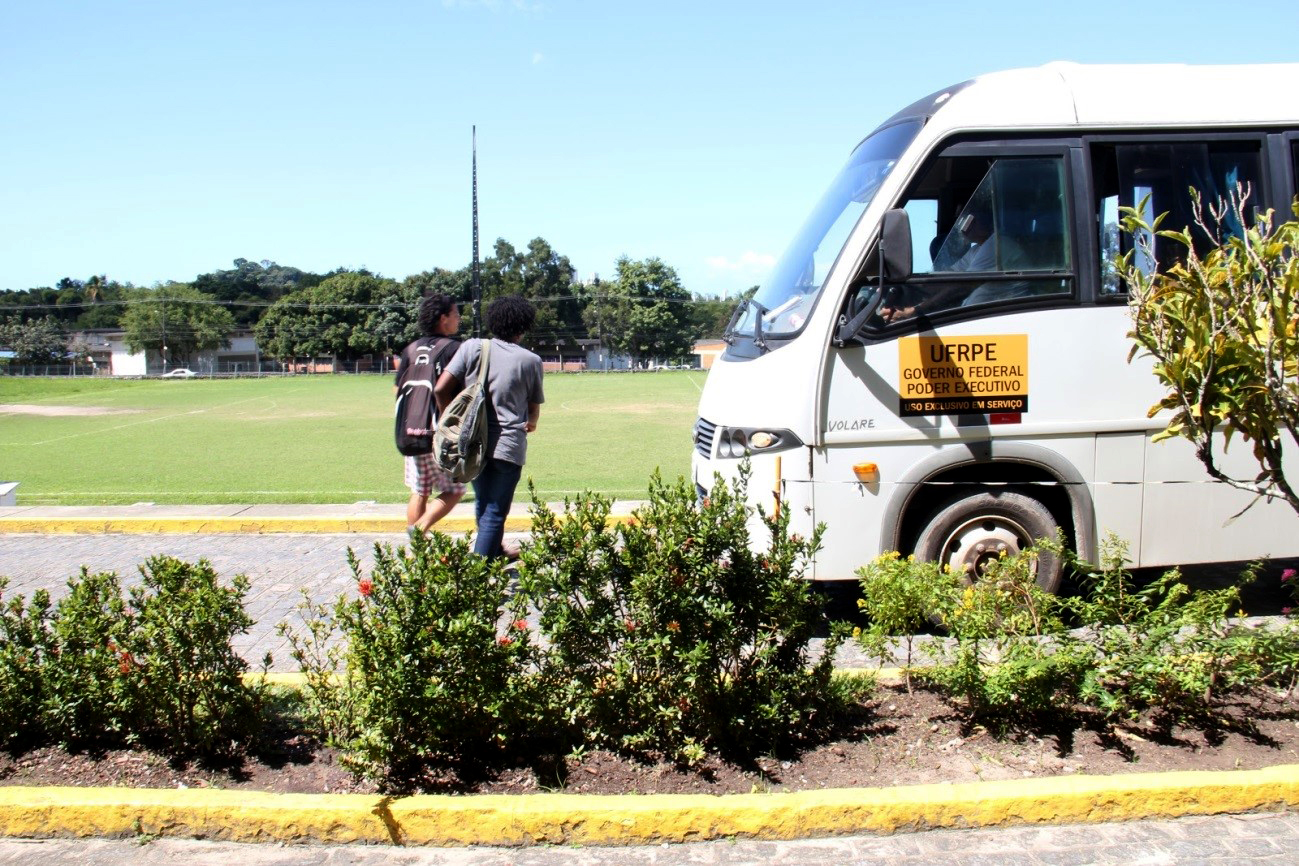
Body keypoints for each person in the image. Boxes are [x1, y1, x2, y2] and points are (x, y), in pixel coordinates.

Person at [435, 295, 544, 560]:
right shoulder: (530, 360)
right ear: (523, 326)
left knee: (484, 504)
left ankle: (494, 552)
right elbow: (532, 410)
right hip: (508, 444)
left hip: (472, 444)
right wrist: (532, 423)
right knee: (495, 511)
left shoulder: (473, 347)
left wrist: (449, 421)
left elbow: (440, 388)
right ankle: (479, 574)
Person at [395, 293, 464, 534]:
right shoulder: (454, 349)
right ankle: (421, 527)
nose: (459, 319)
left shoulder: (410, 349)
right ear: (444, 318)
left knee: (420, 490)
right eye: (456, 314)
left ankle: (418, 552)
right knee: (455, 490)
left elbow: (397, 390)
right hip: (438, 434)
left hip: (409, 431)